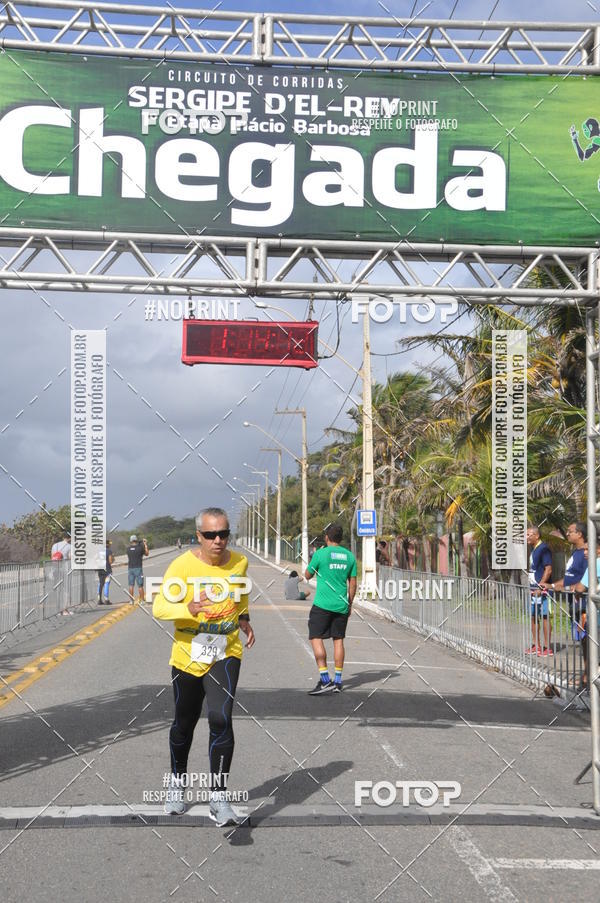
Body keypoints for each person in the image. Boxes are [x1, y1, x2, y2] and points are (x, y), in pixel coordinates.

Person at [152, 507, 255, 826]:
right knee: (184, 723)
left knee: (221, 718)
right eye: (211, 535)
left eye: (224, 534)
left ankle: (219, 797)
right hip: (187, 653)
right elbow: (158, 607)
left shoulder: (239, 563)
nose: (218, 540)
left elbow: (239, 598)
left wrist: (245, 619)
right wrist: (189, 606)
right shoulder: (181, 566)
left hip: (226, 652)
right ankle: (177, 785)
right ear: (199, 536)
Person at [304, 523, 357, 695]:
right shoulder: (349, 556)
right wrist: (349, 603)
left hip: (322, 605)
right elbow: (353, 583)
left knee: (315, 637)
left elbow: (307, 575)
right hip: (341, 604)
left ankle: (325, 679)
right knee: (338, 640)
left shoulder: (321, 554)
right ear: (340, 538)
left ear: (327, 537)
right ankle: (339, 681)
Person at [543, 522, 588, 684]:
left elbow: (586, 581)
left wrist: (568, 588)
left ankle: (587, 677)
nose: (567, 534)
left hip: (583, 604)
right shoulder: (576, 553)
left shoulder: (586, 554)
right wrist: (554, 585)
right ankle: (587, 675)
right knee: (583, 641)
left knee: (588, 640)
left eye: (570, 532)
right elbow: (569, 578)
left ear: (580, 534)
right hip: (574, 604)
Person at [525, 525, 553, 656]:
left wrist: (541, 586)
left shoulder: (544, 548)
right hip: (533, 591)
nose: (527, 537)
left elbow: (548, 569)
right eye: (526, 534)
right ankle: (536, 645)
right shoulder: (534, 549)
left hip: (542, 591)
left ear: (537, 535)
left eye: (529, 534)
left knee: (545, 617)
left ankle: (547, 647)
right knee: (533, 617)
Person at [127, 534, 148, 604]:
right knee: (140, 585)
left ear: (130, 541)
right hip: (138, 568)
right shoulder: (140, 548)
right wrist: (145, 544)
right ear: (136, 540)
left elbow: (134, 546)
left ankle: (131, 600)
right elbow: (147, 553)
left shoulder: (128, 549)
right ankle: (142, 600)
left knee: (131, 585)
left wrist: (140, 542)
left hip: (130, 569)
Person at [97, 539, 114, 605]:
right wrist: (113, 558)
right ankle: (106, 599)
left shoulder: (99, 551)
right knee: (106, 583)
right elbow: (110, 561)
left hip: (100, 569)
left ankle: (99, 599)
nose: (110, 545)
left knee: (100, 584)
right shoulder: (109, 551)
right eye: (109, 544)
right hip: (107, 569)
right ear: (107, 544)